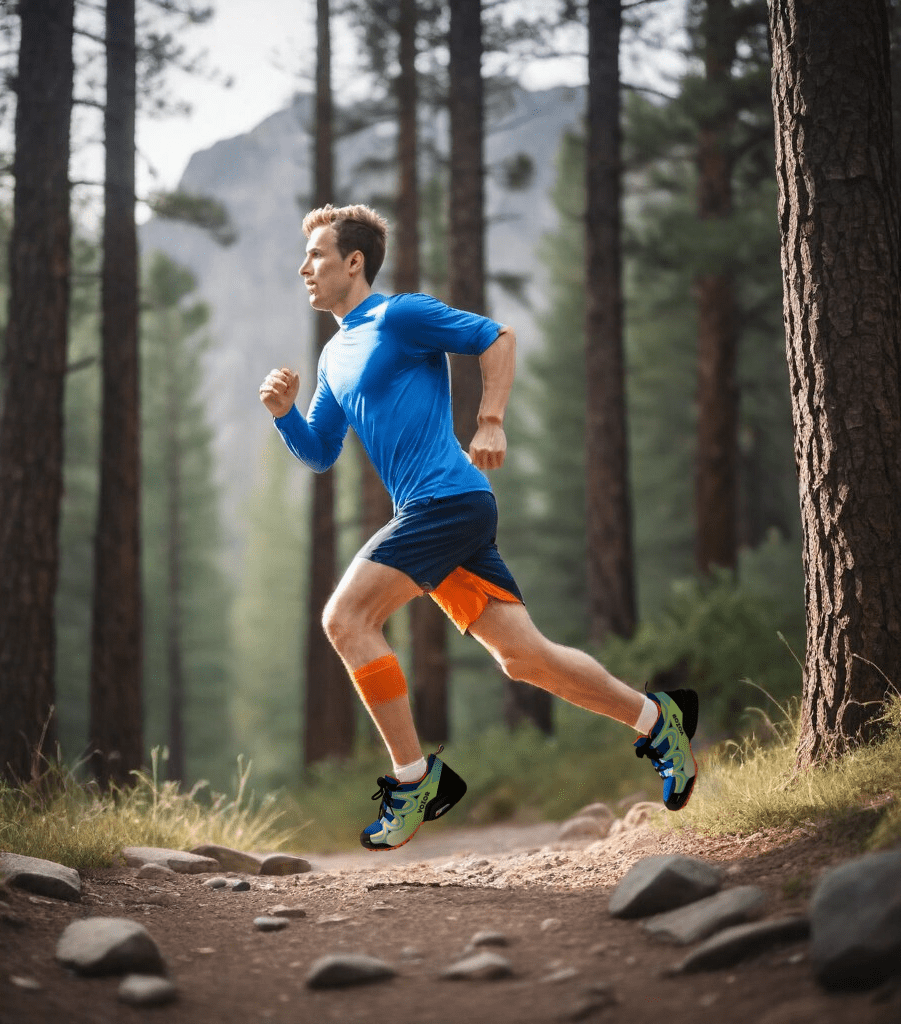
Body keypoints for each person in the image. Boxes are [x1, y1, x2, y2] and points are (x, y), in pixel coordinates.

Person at [259, 203, 698, 852]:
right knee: (526, 660)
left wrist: (490, 417)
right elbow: (321, 451)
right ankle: (659, 719)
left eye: (317, 255)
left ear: (354, 262)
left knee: (345, 619)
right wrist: (284, 414)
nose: (306, 268)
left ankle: (416, 779)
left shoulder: (399, 315)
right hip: (431, 514)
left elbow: (498, 338)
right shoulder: (332, 356)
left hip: (448, 503)